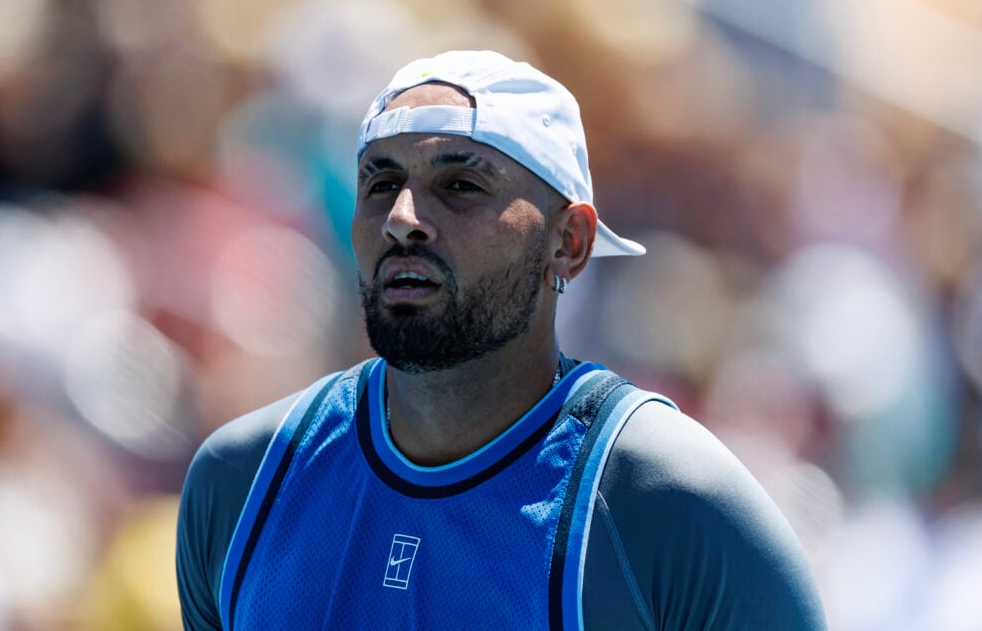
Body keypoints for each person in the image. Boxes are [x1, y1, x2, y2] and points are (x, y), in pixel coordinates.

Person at [176, 50, 826, 630]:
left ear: (568, 242)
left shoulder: (670, 504)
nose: (403, 219)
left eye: (459, 185)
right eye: (380, 183)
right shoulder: (239, 481)